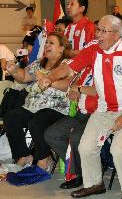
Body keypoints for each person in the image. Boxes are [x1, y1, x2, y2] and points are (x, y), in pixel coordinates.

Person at [38, 15, 122, 199]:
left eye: (104, 31)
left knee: (118, 150)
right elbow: (70, 67)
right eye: (98, 30)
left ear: (117, 35)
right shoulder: (94, 48)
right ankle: (94, 184)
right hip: (105, 107)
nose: (99, 35)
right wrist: (50, 77)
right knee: (86, 146)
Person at [4, 32, 72, 171]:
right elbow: (23, 77)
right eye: (46, 42)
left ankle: (43, 158)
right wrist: (14, 70)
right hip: (33, 106)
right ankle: (24, 155)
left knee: (37, 121)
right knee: (11, 117)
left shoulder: (67, 64)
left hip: (56, 108)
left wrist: (47, 80)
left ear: (62, 48)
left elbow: (67, 85)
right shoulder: (39, 63)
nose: (46, 45)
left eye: (51, 43)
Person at [44, 64, 98, 189]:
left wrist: (79, 89)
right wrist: (73, 93)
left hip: (96, 115)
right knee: (51, 134)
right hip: (79, 113)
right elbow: (73, 88)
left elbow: (99, 91)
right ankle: (78, 169)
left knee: (76, 137)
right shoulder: (85, 69)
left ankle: (79, 173)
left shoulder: (105, 67)